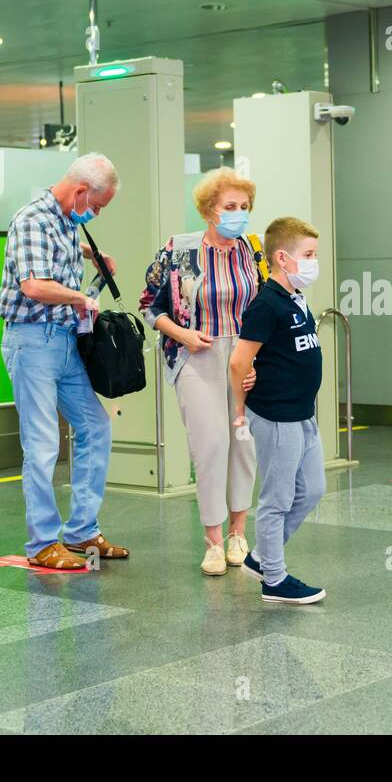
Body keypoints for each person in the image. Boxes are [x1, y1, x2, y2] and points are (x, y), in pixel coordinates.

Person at [0, 153, 128, 569]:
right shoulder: (32, 219)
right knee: (42, 443)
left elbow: (56, 254)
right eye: (98, 205)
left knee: (94, 424)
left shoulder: (67, 220)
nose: (97, 212)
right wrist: (79, 297)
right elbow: (34, 285)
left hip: (65, 341)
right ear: (80, 192)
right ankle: (41, 544)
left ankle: (82, 531)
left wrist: (92, 256)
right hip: (32, 342)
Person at [139, 168, 264, 576]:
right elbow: (149, 305)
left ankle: (238, 534)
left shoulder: (253, 250)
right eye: (230, 207)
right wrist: (184, 335)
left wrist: (258, 361)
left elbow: (267, 308)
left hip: (243, 357)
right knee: (210, 446)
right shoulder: (179, 250)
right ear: (209, 210)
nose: (239, 214)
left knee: (243, 443)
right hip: (197, 354)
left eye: (244, 207)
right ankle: (213, 540)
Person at [228, 217, 327, 604]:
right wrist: (240, 409)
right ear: (282, 259)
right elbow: (239, 362)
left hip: (304, 414)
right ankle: (274, 578)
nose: (313, 262)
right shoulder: (266, 305)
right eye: (308, 255)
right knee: (277, 499)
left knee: (312, 489)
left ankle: (261, 557)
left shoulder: (297, 298)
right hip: (277, 416)